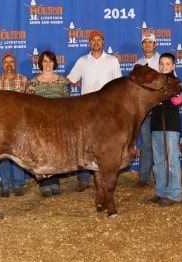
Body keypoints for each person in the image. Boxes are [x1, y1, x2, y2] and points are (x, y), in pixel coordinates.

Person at [67, 29, 122, 192]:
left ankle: (106, 177)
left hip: (107, 111)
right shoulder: (82, 61)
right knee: (84, 143)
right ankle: (83, 179)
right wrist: (49, 80)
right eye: (93, 40)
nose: (96, 42)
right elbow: (70, 79)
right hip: (87, 110)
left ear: (103, 42)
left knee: (107, 145)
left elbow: (119, 85)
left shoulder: (113, 61)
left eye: (99, 40)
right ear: (89, 43)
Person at [27, 50, 69, 197]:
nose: (48, 64)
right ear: (40, 63)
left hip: (59, 125)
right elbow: (30, 107)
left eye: (50, 61)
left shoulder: (62, 81)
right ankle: (44, 184)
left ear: (54, 63)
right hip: (40, 126)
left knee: (56, 154)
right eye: (45, 61)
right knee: (43, 154)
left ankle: (55, 182)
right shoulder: (33, 83)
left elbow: (67, 103)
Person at [148, 53, 182, 207]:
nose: (164, 66)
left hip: (170, 125)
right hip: (156, 124)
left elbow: (178, 100)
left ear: (173, 66)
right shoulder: (155, 82)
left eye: (167, 64)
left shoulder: (176, 82)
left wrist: (165, 93)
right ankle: (160, 191)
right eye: (161, 63)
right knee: (159, 161)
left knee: (172, 161)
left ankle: (174, 194)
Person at [0, 52, 27, 197]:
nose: (9, 65)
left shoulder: (24, 80)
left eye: (11, 61)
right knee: (4, 156)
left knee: (18, 155)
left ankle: (19, 184)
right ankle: (5, 185)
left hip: (20, 125)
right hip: (2, 125)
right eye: (6, 62)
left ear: (15, 64)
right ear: (2, 65)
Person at [134, 33, 160, 188]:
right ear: (142, 45)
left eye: (151, 42)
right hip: (145, 111)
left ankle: (161, 176)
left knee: (161, 145)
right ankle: (144, 177)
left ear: (155, 44)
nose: (148, 45)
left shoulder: (162, 61)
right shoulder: (138, 64)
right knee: (146, 144)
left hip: (160, 110)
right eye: (145, 42)